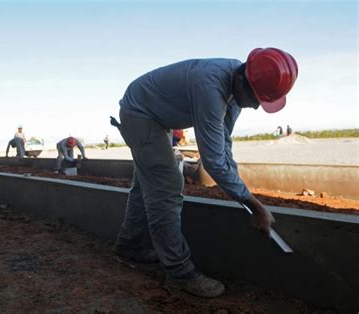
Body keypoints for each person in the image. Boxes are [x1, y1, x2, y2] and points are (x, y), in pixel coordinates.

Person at [112, 48, 298, 298]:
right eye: (256, 99)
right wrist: (254, 205)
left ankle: (130, 245)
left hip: (157, 115)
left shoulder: (236, 87)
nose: (255, 107)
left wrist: (242, 191)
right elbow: (212, 161)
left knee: (149, 182)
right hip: (140, 114)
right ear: (243, 80)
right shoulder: (210, 87)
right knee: (166, 186)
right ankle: (179, 272)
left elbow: (224, 147)